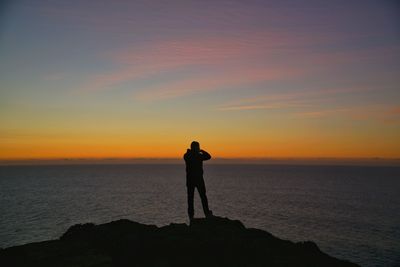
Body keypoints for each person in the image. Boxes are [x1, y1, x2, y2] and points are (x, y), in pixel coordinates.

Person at [184, 141, 213, 221]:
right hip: (197, 180)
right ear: (195, 147)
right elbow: (208, 156)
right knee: (201, 197)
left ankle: (192, 216)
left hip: (192, 180)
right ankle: (205, 214)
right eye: (198, 147)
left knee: (192, 198)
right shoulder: (196, 156)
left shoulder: (188, 155)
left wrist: (200, 152)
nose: (198, 148)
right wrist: (202, 151)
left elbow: (208, 157)